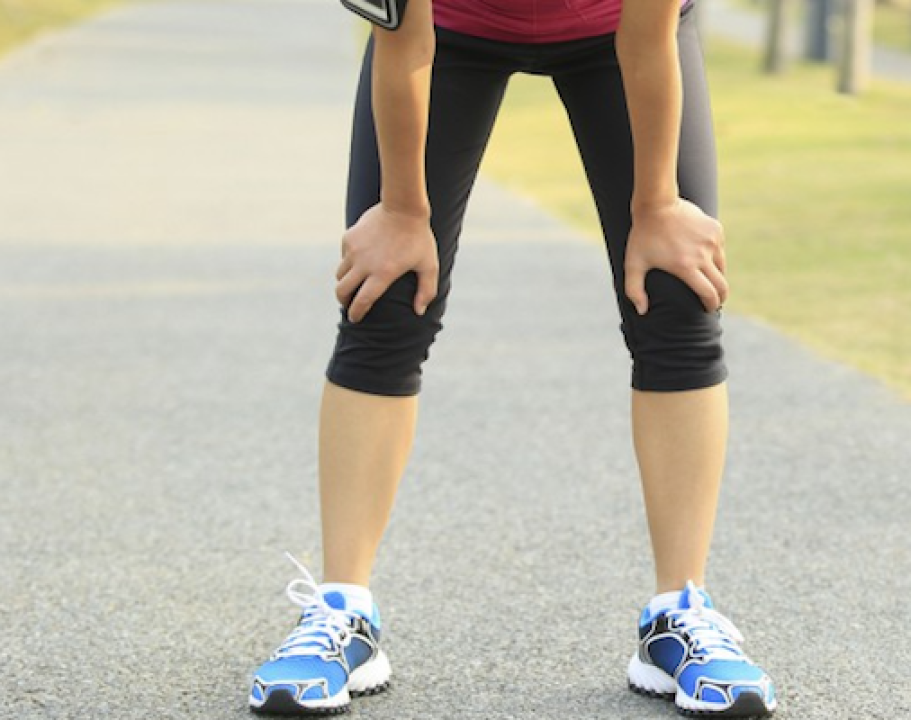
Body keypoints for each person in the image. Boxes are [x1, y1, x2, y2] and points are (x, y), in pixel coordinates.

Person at [246, 0, 777, 717]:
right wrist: (402, 214)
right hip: (448, 28)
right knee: (387, 295)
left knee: (676, 290)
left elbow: (647, 36)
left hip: (622, 27)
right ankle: (343, 611)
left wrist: (656, 207)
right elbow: (404, 45)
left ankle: (678, 614)